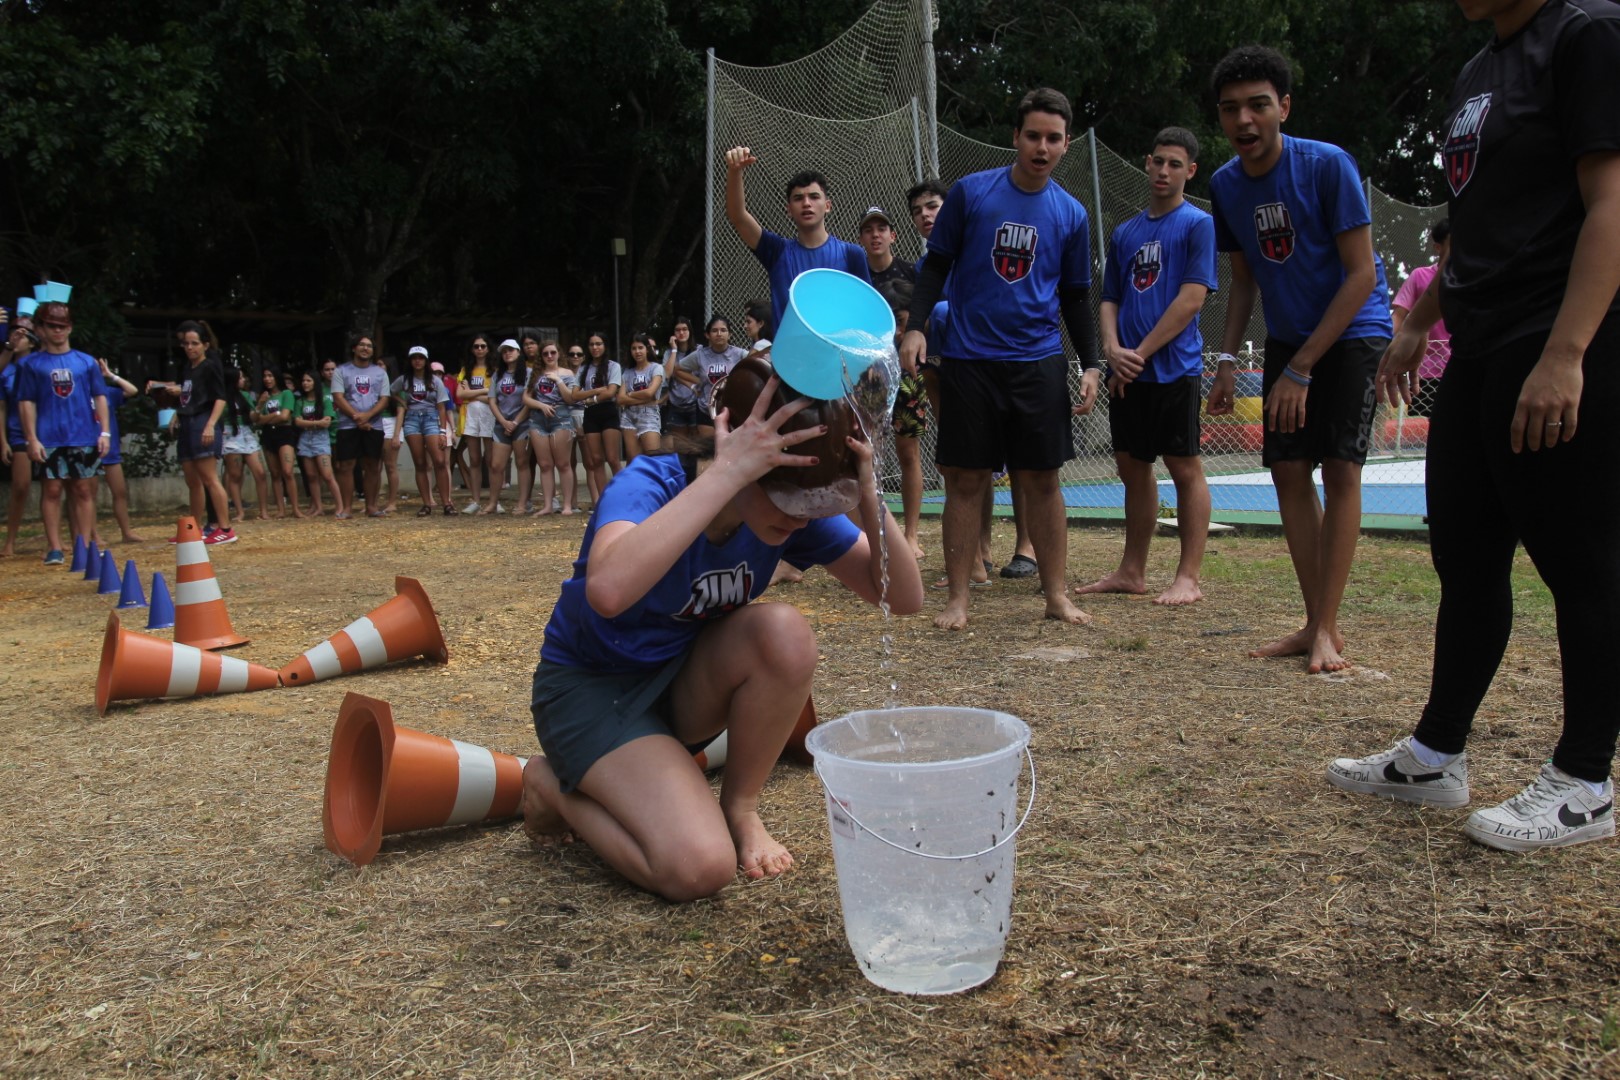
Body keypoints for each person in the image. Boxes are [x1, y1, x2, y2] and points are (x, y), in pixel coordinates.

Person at [1328, 0, 1620, 852]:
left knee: (1581, 561)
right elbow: (1486, 222)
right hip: (1481, 339)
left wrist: (1569, 351)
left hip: (1557, 333)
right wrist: (1423, 321)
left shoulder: (1588, 35)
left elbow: (1609, 201)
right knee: (1465, 550)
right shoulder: (1475, 72)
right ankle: (1434, 756)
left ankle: (1586, 780)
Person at [518, 356, 924, 900]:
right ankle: (552, 786)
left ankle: (741, 808)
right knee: (698, 870)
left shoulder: (788, 512)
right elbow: (608, 592)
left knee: (784, 634)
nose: (798, 519)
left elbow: (903, 597)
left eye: (811, 505)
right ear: (737, 448)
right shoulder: (654, 479)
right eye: (785, 499)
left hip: (681, 685)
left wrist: (865, 490)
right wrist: (730, 470)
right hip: (590, 692)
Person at [1204, 46, 1393, 674]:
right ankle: (1315, 622)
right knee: (1288, 471)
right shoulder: (1226, 185)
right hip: (1289, 337)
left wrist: (1302, 368)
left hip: (1352, 328)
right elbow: (1243, 280)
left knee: (1339, 471)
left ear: (1283, 107)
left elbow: (1362, 274)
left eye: (1259, 104)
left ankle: (1327, 631)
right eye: (1231, 109)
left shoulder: (1327, 166)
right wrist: (1229, 358)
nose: (1245, 120)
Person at [900, 87, 1101, 630]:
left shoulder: (1072, 213)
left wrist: (1091, 363)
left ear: (1064, 146)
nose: (1042, 147)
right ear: (1016, 137)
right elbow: (936, 266)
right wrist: (916, 329)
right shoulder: (971, 193)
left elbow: (1077, 297)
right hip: (969, 359)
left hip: (1037, 362)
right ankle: (958, 598)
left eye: (1054, 138)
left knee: (1043, 480)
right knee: (965, 479)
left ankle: (1056, 595)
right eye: (1033, 135)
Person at [1076, 127, 1218, 606]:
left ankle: (1188, 577)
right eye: (1158, 161)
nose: (1163, 171)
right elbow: (1110, 298)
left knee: (1183, 466)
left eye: (1175, 164)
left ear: (1190, 171)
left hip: (1173, 368)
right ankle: (1131, 570)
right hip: (1127, 373)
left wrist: (1142, 352)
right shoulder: (1125, 232)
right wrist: (1113, 349)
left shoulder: (1197, 224)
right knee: (1132, 467)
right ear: (1146, 162)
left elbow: (1191, 299)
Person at [723, 148, 872, 336]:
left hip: (839, 362)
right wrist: (735, 171)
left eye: (814, 196)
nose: (807, 203)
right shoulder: (777, 251)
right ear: (789, 209)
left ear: (827, 206)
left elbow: (868, 313)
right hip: (790, 363)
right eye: (798, 198)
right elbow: (738, 217)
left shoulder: (852, 255)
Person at [16, 298, 110, 563]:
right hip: (49, 436)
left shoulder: (86, 362)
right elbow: (26, 402)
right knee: (52, 490)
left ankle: (84, 544)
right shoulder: (30, 365)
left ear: (70, 327)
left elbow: (100, 396)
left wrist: (105, 433)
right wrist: (31, 438)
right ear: (41, 328)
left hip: (83, 434)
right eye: (51, 325)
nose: (58, 330)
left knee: (83, 489)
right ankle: (55, 546)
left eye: (62, 325)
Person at [167, 320, 235, 543]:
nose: (189, 348)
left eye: (194, 343)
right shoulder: (187, 368)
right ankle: (193, 529)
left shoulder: (210, 366)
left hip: (203, 422)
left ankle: (225, 529)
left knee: (209, 478)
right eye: (186, 343)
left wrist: (209, 425)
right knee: (192, 480)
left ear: (205, 345)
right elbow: (188, 396)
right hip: (187, 423)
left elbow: (220, 398)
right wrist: (177, 414)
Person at [878, 280, 928, 559]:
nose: (898, 331)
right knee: (868, 454)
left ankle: (911, 534)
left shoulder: (920, 332)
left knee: (909, 456)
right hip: (875, 379)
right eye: (893, 322)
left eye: (903, 322)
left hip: (909, 381)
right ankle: (873, 531)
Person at [1390, 218, 1453, 416]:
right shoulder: (1420, 276)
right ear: (1438, 247)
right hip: (1427, 369)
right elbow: (1399, 315)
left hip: (1460, 363)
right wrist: (1383, 344)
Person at [389, 346, 455, 517]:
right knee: (420, 463)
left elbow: (441, 407)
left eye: (420, 358)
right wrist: (401, 402)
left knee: (439, 461)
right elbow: (391, 391)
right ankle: (427, 504)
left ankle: (447, 503)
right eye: (414, 358)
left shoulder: (435, 380)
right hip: (412, 419)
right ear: (410, 361)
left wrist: (442, 431)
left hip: (431, 418)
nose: (417, 361)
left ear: (426, 361)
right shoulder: (404, 379)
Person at [331, 333, 390, 520]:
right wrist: (357, 418)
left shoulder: (380, 373)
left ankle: (371, 506)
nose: (366, 348)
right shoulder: (341, 371)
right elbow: (338, 397)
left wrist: (368, 416)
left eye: (369, 346)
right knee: (346, 465)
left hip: (374, 425)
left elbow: (384, 399)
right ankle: (347, 508)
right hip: (347, 425)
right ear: (354, 348)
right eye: (362, 345)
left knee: (372, 465)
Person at [0, 304, 40, 557]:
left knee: (54, 486)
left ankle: (55, 541)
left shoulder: (40, 366)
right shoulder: (7, 370)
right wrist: (1, 440)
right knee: (21, 485)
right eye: (15, 330)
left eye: (25, 332)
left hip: (47, 431)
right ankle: (10, 540)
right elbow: (1, 408)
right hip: (17, 433)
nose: (19, 335)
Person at [523, 340, 579, 516]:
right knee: (545, 465)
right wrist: (541, 406)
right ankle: (548, 505)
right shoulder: (535, 373)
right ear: (541, 356)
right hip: (538, 419)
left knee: (563, 463)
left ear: (558, 354)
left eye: (552, 352)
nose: (549, 356)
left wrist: (558, 381)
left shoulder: (567, 373)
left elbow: (571, 399)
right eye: (545, 353)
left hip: (561, 418)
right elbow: (526, 398)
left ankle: (567, 505)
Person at [94, 357, 146, 543]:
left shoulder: (107, 392)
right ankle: (93, 535)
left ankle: (126, 532)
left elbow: (132, 390)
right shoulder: (78, 393)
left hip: (110, 448)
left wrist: (110, 375)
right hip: (88, 448)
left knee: (120, 491)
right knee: (87, 495)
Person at [676, 316, 747, 439]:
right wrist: (696, 383)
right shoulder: (700, 355)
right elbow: (677, 370)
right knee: (709, 449)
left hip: (731, 410)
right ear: (707, 335)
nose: (719, 334)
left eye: (723, 330)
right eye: (714, 331)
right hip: (706, 410)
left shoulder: (740, 354)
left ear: (730, 334)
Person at [574, 333, 623, 508]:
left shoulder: (613, 366)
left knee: (612, 458)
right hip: (590, 414)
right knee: (595, 459)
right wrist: (598, 390)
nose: (595, 347)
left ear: (605, 345)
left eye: (599, 344)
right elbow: (575, 394)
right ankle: (604, 501)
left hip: (608, 411)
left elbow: (611, 392)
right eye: (592, 344)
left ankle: (622, 495)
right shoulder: (583, 368)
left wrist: (592, 398)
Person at [482, 338, 530, 515]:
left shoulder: (529, 373)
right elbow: (492, 401)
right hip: (501, 424)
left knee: (522, 463)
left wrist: (516, 422)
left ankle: (522, 504)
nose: (507, 353)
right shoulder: (497, 375)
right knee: (496, 465)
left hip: (522, 423)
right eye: (504, 351)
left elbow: (529, 400)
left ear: (518, 352)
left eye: (511, 350)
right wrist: (503, 421)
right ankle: (492, 503)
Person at [220, 367, 271, 523]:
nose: (243, 380)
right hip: (230, 434)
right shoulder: (221, 397)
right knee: (235, 475)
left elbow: (254, 417)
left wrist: (260, 405)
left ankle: (263, 511)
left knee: (260, 473)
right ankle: (239, 511)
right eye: (240, 378)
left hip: (247, 433)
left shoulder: (245, 395)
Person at [293, 370, 343, 516]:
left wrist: (308, 423)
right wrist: (317, 422)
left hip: (321, 439)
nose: (305, 383)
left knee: (327, 475)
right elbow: (297, 421)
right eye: (303, 381)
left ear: (315, 382)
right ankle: (318, 507)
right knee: (311, 475)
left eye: (308, 380)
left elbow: (327, 422)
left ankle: (340, 506)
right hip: (305, 440)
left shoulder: (325, 401)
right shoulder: (300, 401)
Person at [255, 364, 302, 518]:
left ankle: (295, 508)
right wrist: (264, 407)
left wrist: (267, 418)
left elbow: (285, 416)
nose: (267, 379)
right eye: (265, 376)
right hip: (268, 434)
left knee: (287, 471)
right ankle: (281, 510)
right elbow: (257, 419)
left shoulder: (287, 393)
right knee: (275, 473)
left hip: (285, 433)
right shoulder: (263, 397)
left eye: (270, 376)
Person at [455, 333, 495, 513]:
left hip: (490, 415)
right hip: (470, 415)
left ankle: (493, 500)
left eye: (483, 346)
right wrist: (485, 391)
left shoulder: (494, 369)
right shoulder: (466, 370)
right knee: (474, 459)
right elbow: (460, 395)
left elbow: (494, 397)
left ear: (488, 348)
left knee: (492, 459)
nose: (479, 349)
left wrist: (474, 392)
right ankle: (476, 500)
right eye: (476, 346)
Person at [618, 332, 664, 462]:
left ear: (647, 349)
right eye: (634, 348)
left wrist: (630, 394)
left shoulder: (656, 368)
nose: (637, 351)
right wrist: (643, 397)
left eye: (640, 347)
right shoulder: (627, 372)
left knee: (652, 458)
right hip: (629, 417)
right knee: (634, 461)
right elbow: (620, 399)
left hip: (649, 414)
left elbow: (651, 393)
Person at [858, 206, 916, 289]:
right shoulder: (856, 275)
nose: (875, 235)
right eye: (868, 230)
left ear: (892, 236)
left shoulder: (911, 272)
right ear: (861, 239)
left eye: (881, 229)